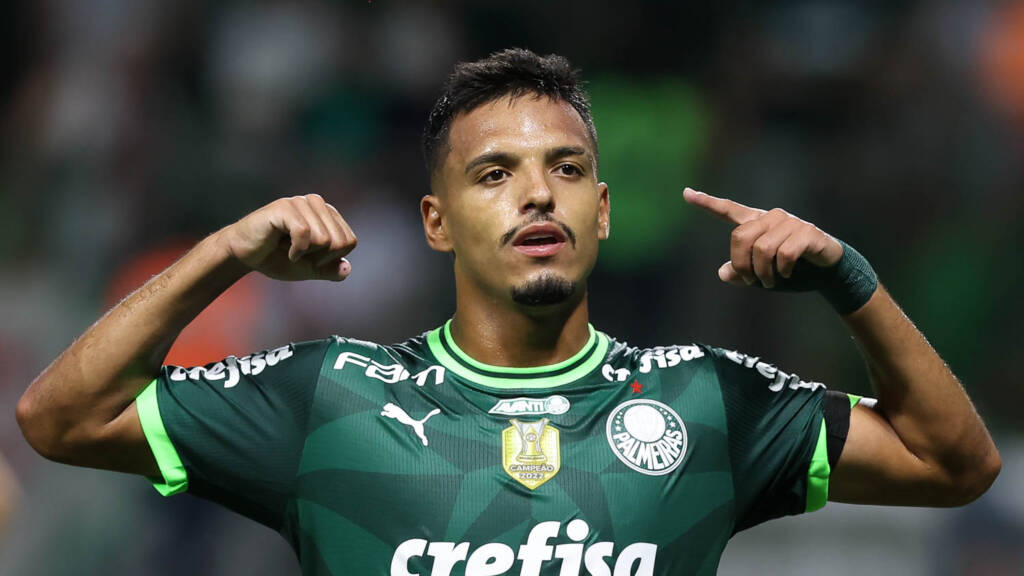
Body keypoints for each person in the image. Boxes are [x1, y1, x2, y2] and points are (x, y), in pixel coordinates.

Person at [16, 48, 1000, 576]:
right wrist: (225, 253)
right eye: (495, 174)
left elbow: (953, 464)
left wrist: (849, 283)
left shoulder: (705, 400)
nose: (537, 194)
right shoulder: (329, 398)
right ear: (436, 223)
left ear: (601, 211)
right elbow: (60, 418)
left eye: (565, 169)